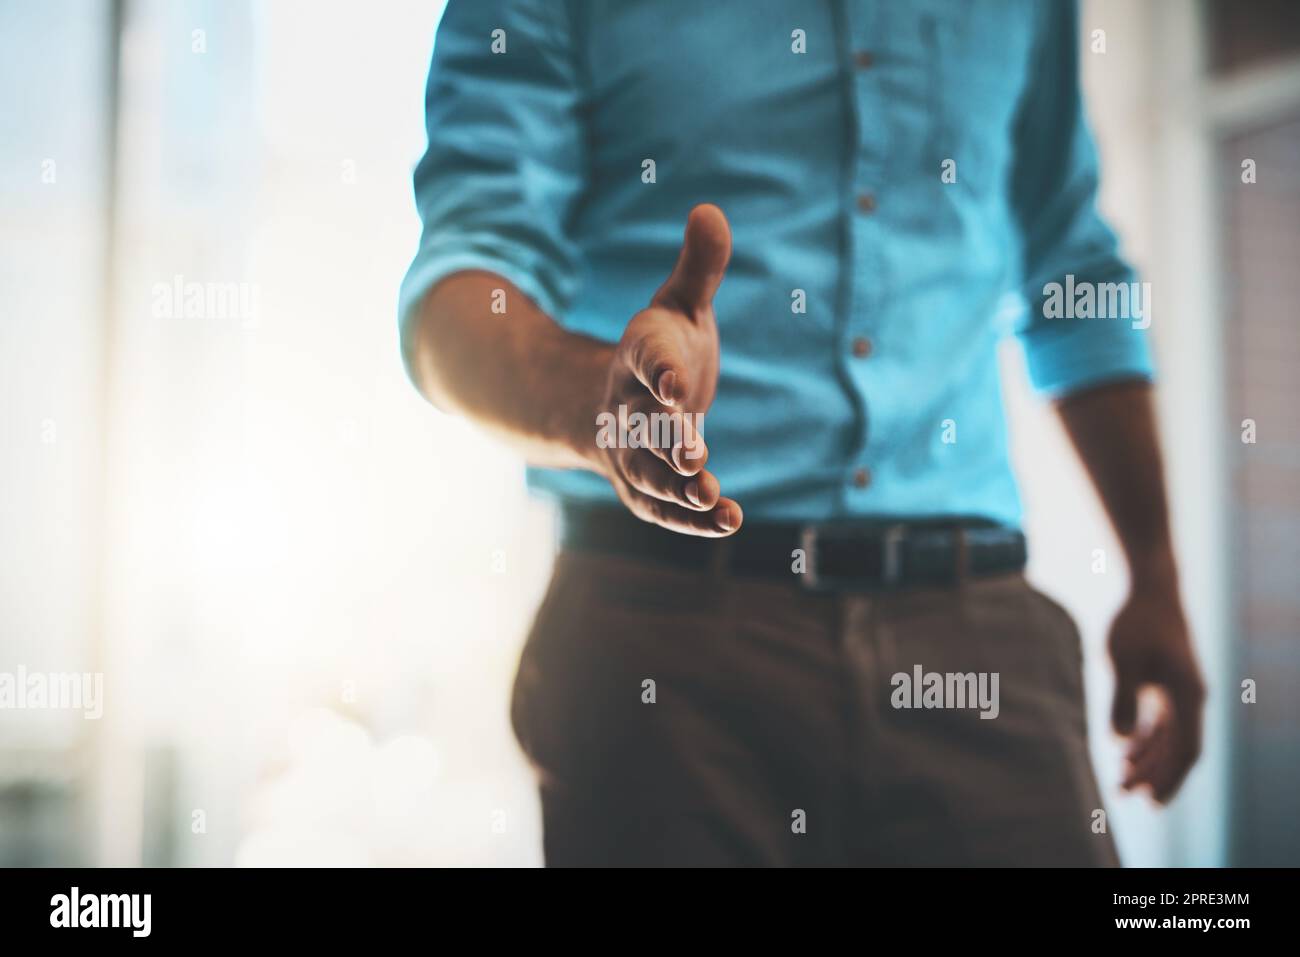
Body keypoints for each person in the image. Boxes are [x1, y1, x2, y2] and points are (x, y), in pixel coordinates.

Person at [398, 0, 1205, 865]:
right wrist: (602, 405)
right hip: (664, 655)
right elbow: (458, 297)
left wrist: (1154, 572)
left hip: (977, 634)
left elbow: (1071, 268)